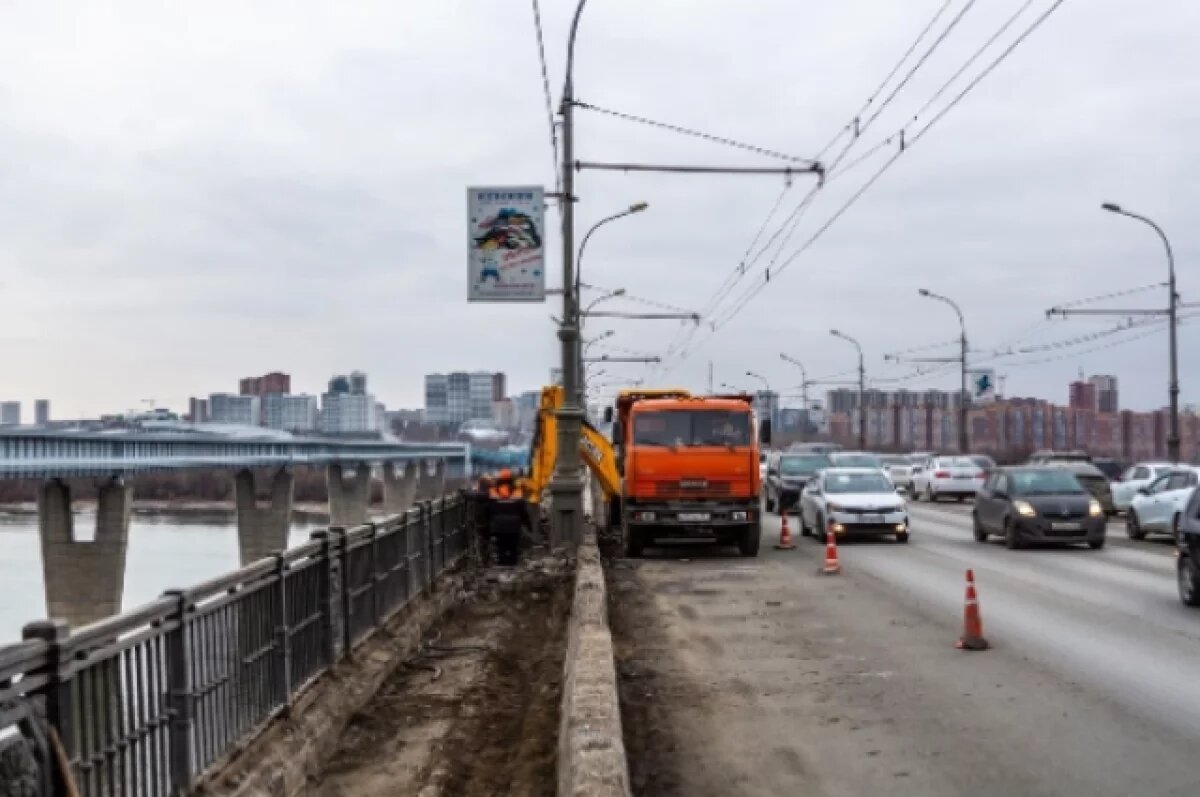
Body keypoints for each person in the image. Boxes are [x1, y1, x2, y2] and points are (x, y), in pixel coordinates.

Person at [487, 469, 529, 565]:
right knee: (513, 546)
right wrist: (527, 524)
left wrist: (489, 523)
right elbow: (523, 511)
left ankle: (502, 563)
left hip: (499, 525)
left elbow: (489, 509)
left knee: (501, 546)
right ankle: (512, 564)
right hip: (514, 525)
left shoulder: (493, 491)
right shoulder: (517, 492)